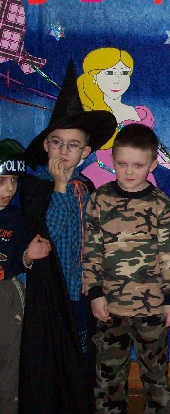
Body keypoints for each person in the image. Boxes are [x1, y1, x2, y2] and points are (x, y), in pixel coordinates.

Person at [19, 60, 117, 414]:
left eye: (73, 145)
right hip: (48, 298)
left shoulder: (87, 189)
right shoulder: (34, 189)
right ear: (46, 146)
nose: (64, 152)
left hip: (80, 293)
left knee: (80, 365)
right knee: (49, 369)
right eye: (57, 143)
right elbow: (52, 234)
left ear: (85, 152)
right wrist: (59, 186)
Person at [82, 123, 170, 413]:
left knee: (156, 379)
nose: (129, 171)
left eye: (138, 165)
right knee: (108, 380)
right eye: (122, 164)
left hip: (152, 308)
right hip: (110, 308)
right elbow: (91, 249)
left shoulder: (160, 203)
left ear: (152, 165)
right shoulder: (100, 199)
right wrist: (94, 292)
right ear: (112, 160)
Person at [77, 47, 170, 207]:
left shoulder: (139, 113)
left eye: (124, 73)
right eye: (110, 73)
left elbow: (152, 151)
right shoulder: (91, 117)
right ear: (94, 77)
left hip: (142, 179)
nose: (118, 80)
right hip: (104, 178)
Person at [0, 139, 51, 414]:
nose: (9, 189)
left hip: (7, 297)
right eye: (2, 181)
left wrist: (29, 255)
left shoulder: (17, 219)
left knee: (9, 363)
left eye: (14, 181)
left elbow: (21, 259)